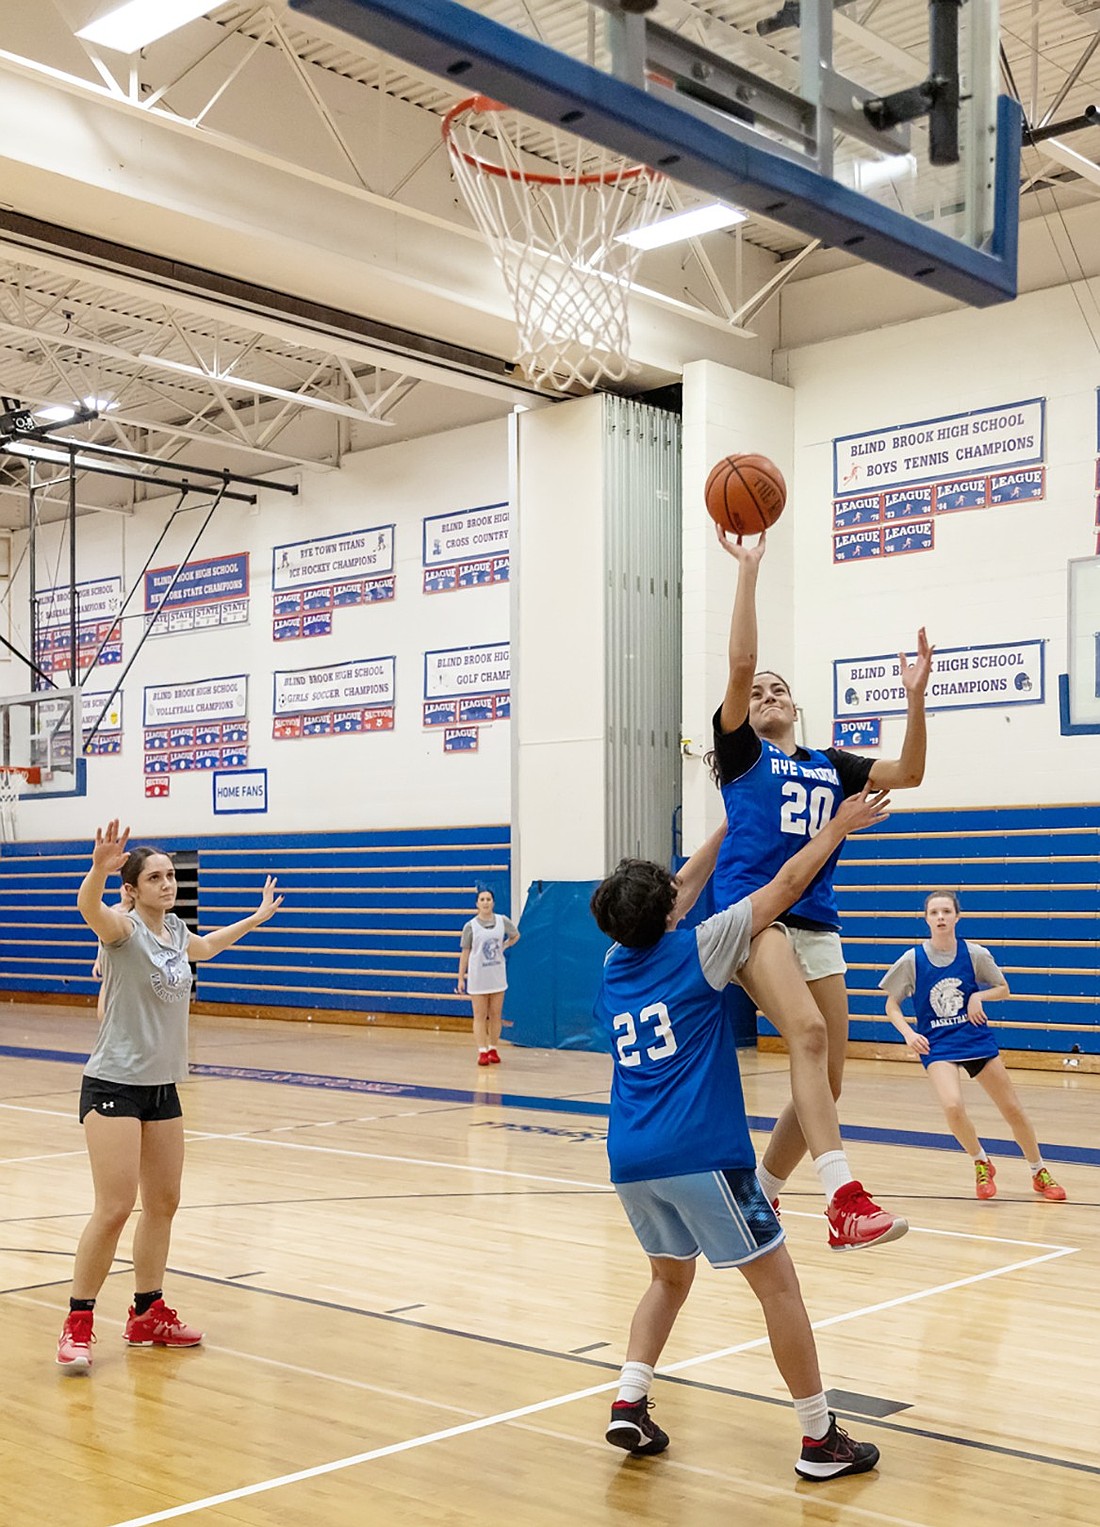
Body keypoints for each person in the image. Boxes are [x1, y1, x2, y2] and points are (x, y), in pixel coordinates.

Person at [592, 786, 890, 1479]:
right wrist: (838, 823)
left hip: (630, 1159)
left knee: (668, 1278)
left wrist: (734, 818)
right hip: (705, 1156)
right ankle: (820, 1438)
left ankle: (629, 1398)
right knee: (779, 1288)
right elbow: (786, 884)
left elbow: (680, 887)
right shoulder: (705, 945)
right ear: (671, 912)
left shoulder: (613, 965)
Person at [709, 526, 932, 1248]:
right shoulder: (741, 752)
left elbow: (909, 774)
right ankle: (843, 1198)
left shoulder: (830, 763)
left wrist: (915, 698)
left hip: (818, 921)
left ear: (797, 710)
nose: (767, 692)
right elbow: (742, 659)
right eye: (760, 689)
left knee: (827, 1084)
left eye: (780, 690)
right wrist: (748, 570)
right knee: (802, 1032)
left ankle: (758, 1195)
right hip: (755, 913)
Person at [56, 820, 283, 1374]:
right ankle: (77, 1324)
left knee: (164, 1204)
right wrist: (97, 871)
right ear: (131, 888)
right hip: (113, 1085)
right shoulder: (122, 931)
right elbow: (91, 909)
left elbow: (205, 947)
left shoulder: (176, 931)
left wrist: (255, 918)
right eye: (154, 877)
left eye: (169, 876)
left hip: (162, 1087)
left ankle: (146, 1312)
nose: (167, 884)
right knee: (114, 1208)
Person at [880, 890, 1066, 1202]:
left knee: (1012, 1109)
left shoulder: (975, 954)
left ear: (957, 917)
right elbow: (891, 1006)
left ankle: (1038, 1170)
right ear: (926, 919)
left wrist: (978, 996)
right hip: (937, 1044)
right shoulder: (912, 959)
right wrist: (908, 1034)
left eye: (946, 912)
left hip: (975, 1039)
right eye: (934, 912)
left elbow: (1003, 988)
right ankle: (981, 1161)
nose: (940, 917)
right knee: (952, 1106)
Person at [456, 888, 520, 1066]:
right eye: (482, 899)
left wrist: (505, 946)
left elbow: (516, 935)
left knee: (495, 1015)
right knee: (479, 1014)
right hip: (478, 977)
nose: (485, 902)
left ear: (493, 902)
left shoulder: (502, 921)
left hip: (497, 975)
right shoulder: (470, 926)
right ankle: (482, 1051)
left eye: (488, 899)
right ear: (477, 903)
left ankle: (493, 1047)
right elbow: (465, 953)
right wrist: (461, 977)